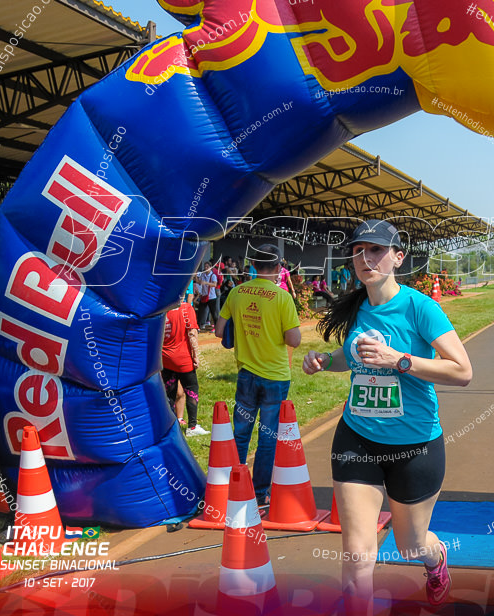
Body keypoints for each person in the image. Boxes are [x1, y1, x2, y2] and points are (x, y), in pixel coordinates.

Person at [302, 220, 472, 611]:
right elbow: (351, 356)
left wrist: (401, 361)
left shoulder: (419, 307)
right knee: (358, 556)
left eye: (376, 250)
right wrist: (325, 360)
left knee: (411, 545)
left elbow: (462, 371)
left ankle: (437, 560)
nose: (366, 258)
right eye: (359, 250)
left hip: (414, 445)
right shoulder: (358, 306)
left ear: (398, 258)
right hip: (357, 438)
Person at [216, 243, 301, 506]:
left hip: (245, 375)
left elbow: (220, 331)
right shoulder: (282, 297)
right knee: (267, 436)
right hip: (275, 376)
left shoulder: (237, 293)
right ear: (278, 268)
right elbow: (294, 340)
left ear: (253, 265)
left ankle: (235, 485)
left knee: (241, 433)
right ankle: (261, 492)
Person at [161, 296, 208, 436]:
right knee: (191, 389)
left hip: (165, 358)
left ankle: (171, 426)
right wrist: (196, 357)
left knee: (169, 392)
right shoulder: (186, 308)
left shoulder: (163, 309)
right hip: (183, 359)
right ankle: (192, 427)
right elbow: (192, 333)